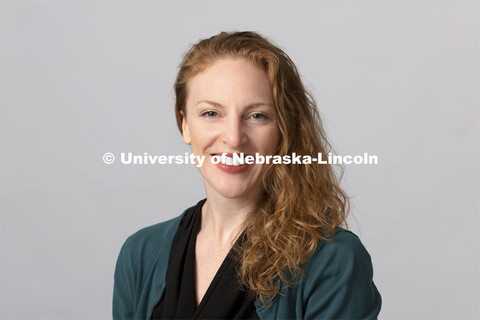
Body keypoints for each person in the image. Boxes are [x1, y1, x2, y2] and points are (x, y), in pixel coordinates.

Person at [113, 31, 382, 320]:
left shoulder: (333, 260)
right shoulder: (140, 254)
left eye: (257, 116)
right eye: (211, 114)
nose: (233, 138)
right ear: (185, 125)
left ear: (284, 130)